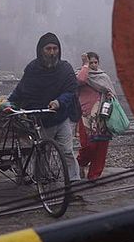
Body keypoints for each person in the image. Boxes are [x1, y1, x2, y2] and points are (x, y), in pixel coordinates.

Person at [7, 32, 80, 183]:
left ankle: (74, 182)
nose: (52, 52)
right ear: (41, 50)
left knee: (67, 152)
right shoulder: (32, 69)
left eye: (55, 48)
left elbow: (71, 90)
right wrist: (9, 103)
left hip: (61, 117)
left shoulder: (65, 69)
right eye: (48, 49)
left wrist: (58, 102)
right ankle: (42, 183)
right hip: (40, 119)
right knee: (42, 152)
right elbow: (22, 90)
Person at [75, 51, 116, 181]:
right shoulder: (81, 74)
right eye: (90, 62)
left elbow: (111, 92)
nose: (93, 65)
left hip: (102, 116)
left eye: (95, 62)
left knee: (102, 146)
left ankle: (94, 175)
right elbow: (80, 80)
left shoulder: (103, 77)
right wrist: (85, 65)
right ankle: (80, 162)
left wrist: (109, 95)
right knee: (89, 145)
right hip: (86, 116)